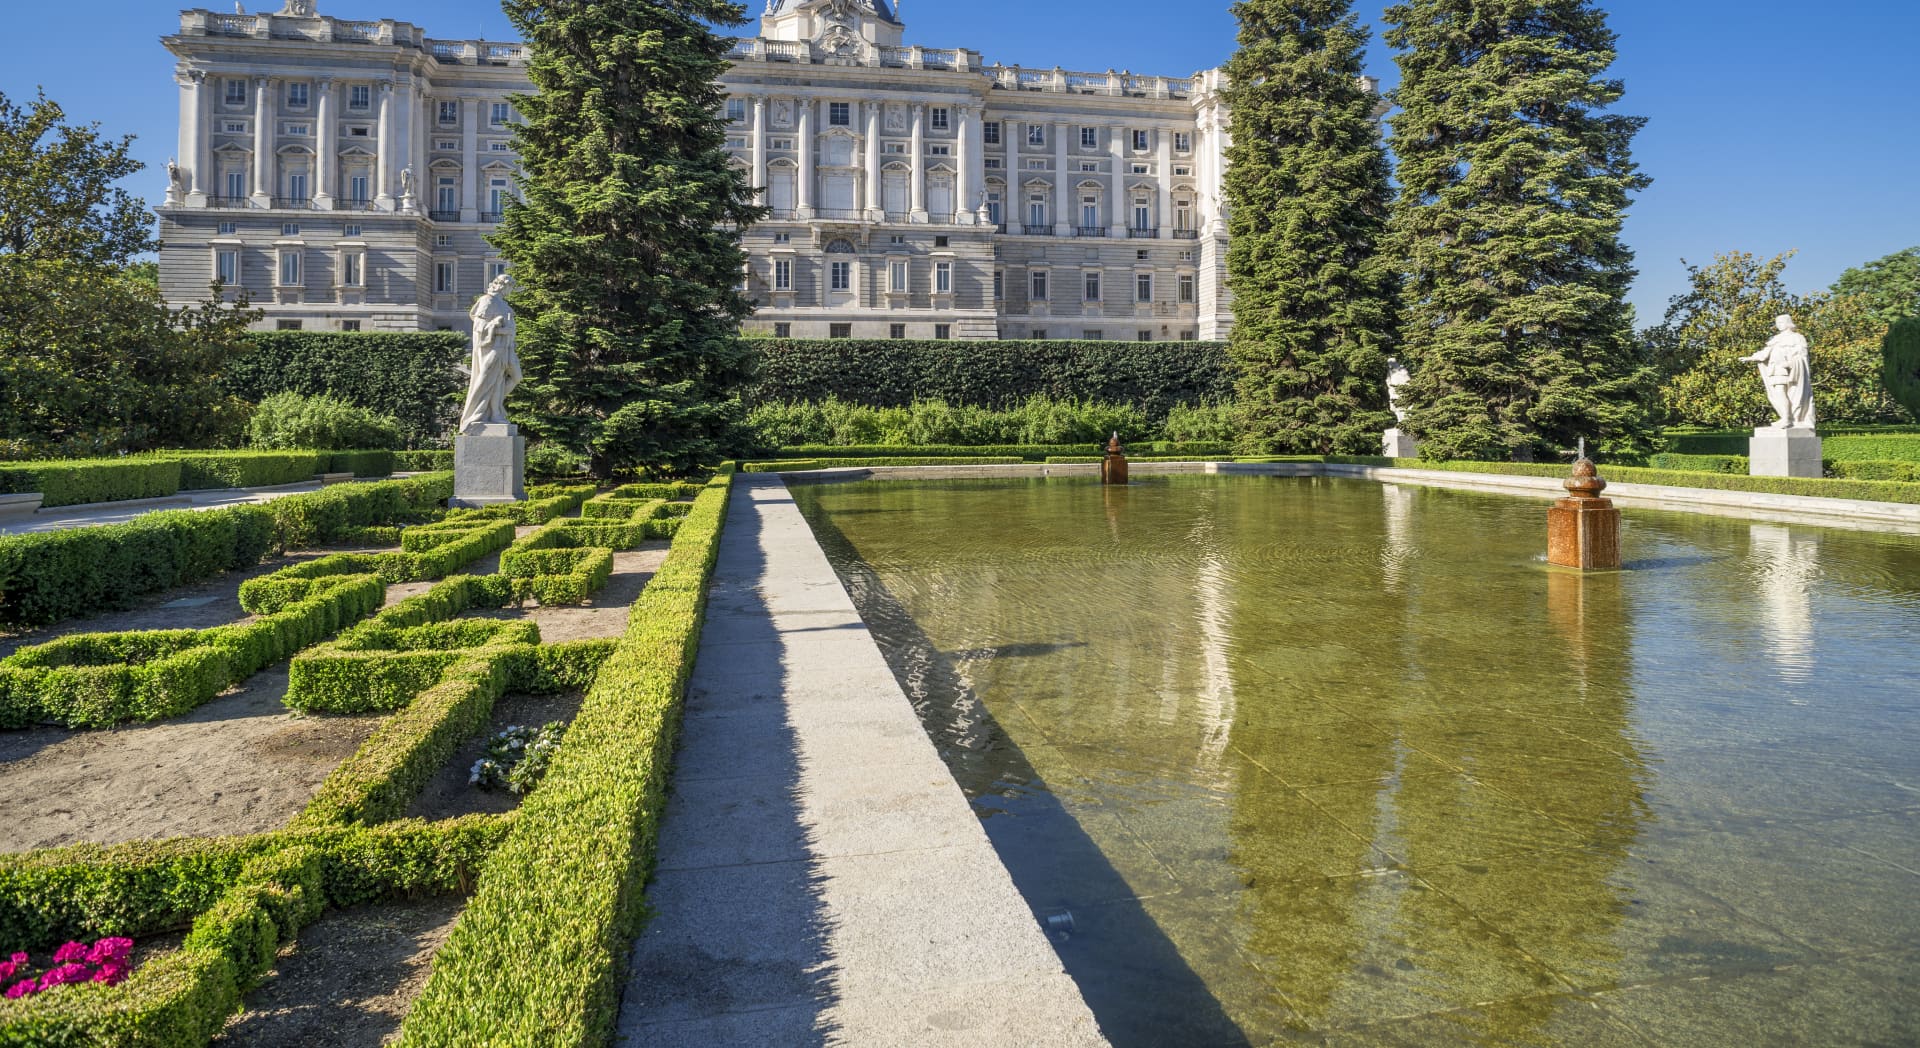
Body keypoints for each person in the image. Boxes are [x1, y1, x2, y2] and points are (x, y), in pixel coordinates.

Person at [460, 274, 522, 432]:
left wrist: (508, 333)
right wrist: (500, 329)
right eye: (510, 287)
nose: (511, 291)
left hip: (506, 348)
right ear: (502, 286)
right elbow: (479, 326)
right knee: (489, 381)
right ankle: (485, 413)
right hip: (492, 348)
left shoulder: (504, 305)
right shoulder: (487, 300)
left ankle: (495, 409)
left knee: (511, 378)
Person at [1740, 314, 1815, 429]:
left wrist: (1790, 363)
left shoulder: (1797, 337)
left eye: (1781, 322)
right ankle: (1786, 417)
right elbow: (1765, 353)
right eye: (1777, 323)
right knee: (1777, 394)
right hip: (1775, 369)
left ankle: (1787, 418)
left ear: (1788, 323)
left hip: (1787, 370)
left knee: (1781, 392)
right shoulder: (1776, 339)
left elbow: (1801, 354)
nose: (1778, 325)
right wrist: (1750, 358)